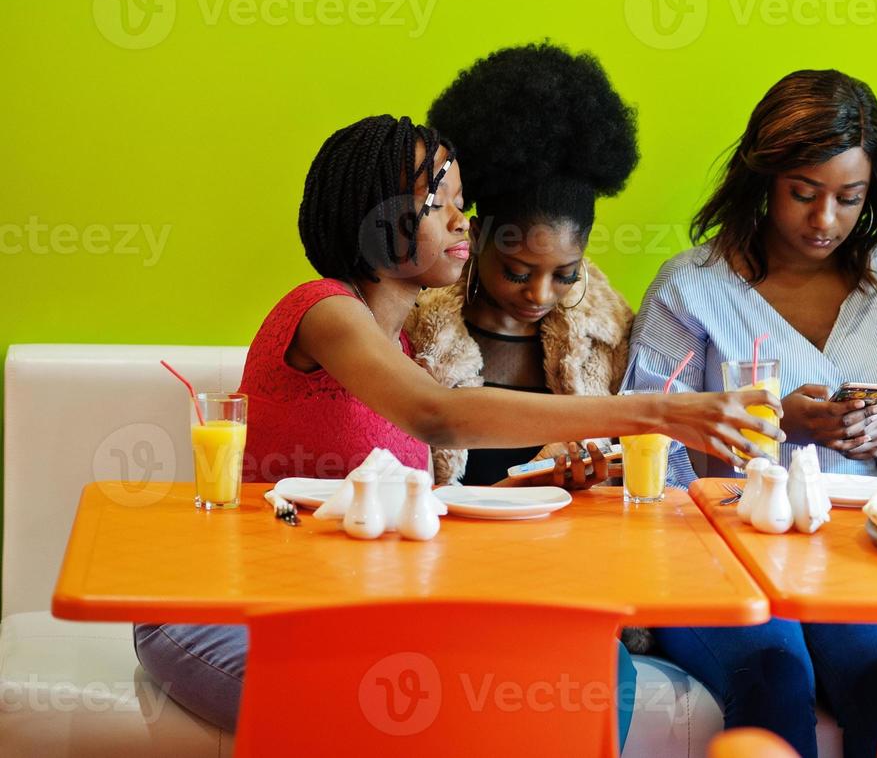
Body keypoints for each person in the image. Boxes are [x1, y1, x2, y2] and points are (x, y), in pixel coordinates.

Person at [133, 114, 781, 739]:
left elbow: (408, 510)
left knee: (571, 663)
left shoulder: (404, 352)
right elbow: (438, 418)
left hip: (325, 614)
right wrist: (660, 412)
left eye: (461, 202)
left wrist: (530, 485)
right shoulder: (324, 311)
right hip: (219, 614)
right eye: (436, 202)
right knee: (405, 700)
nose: (460, 221)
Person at [624, 70, 877, 758]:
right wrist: (774, 427)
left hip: (855, 556)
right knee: (771, 672)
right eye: (802, 193)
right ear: (761, 180)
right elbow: (643, 453)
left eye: (847, 199)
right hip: (710, 558)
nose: (823, 220)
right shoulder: (693, 289)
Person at [406, 42, 639, 492]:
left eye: (566, 273)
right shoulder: (416, 332)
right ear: (475, 237)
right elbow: (394, 482)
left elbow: (634, 480)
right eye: (518, 272)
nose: (540, 293)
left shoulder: (608, 340)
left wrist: (592, 482)